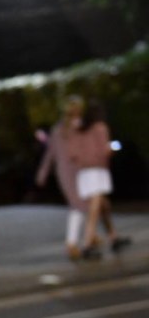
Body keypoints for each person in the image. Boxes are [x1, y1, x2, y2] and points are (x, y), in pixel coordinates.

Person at [67, 99, 131, 259]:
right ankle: (87, 244)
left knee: (104, 206)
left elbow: (72, 154)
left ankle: (113, 237)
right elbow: (104, 151)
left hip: (84, 173)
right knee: (95, 209)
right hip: (97, 171)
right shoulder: (100, 128)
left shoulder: (77, 130)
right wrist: (112, 148)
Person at [35, 94, 89, 260]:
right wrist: (42, 172)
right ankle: (73, 242)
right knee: (78, 204)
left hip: (82, 170)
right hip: (66, 172)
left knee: (84, 204)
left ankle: (86, 236)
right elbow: (50, 154)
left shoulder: (81, 126)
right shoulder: (59, 130)